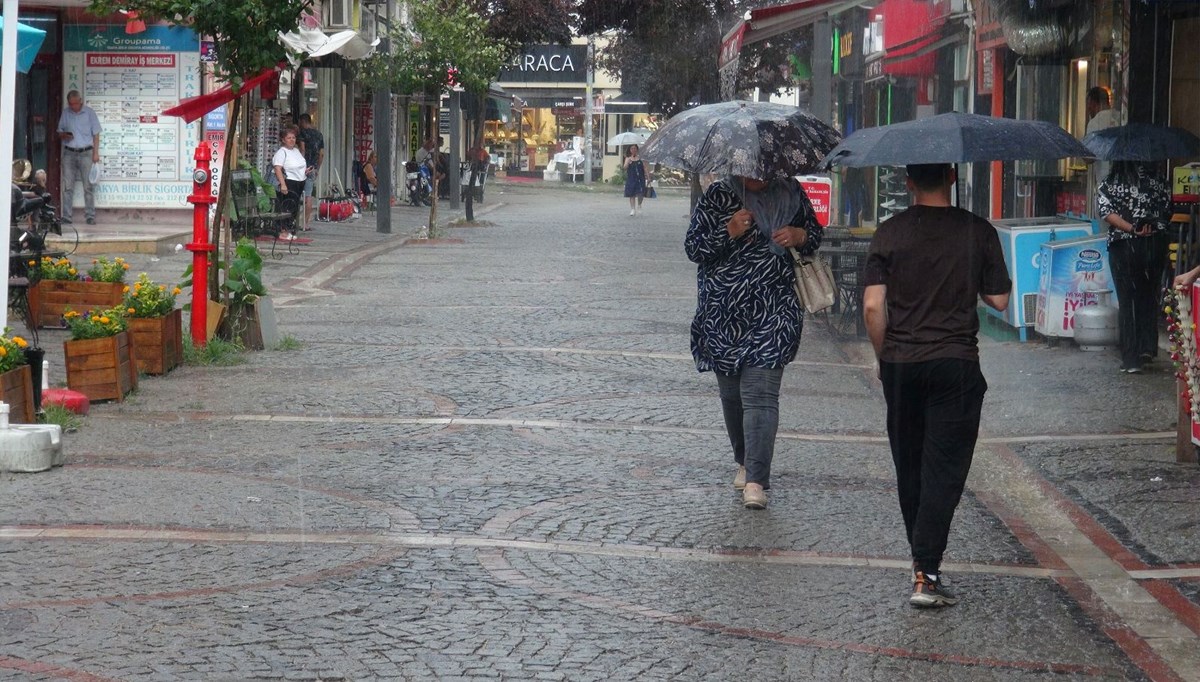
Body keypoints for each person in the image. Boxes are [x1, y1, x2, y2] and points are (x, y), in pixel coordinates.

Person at [862, 163, 1011, 609]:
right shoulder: (977, 231)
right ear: (951, 176)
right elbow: (999, 299)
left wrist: (883, 357)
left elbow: (873, 306)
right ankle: (926, 573)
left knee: (910, 464)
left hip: (902, 364)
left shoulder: (888, 233)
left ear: (908, 182)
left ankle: (921, 564)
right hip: (956, 365)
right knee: (943, 468)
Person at [686, 174, 822, 510]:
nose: (759, 173)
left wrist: (800, 235)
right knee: (732, 396)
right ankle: (745, 460)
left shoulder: (790, 192)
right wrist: (728, 231)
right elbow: (694, 248)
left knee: (760, 395)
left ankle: (756, 480)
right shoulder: (719, 195)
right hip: (723, 315)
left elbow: (815, 235)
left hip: (775, 312)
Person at [1098, 161, 1169, 374]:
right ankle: (1147, 348)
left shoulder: (1111, 181)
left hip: (1123, 245)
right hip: (1154, 244)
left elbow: (1105, 211)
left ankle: (1131, 359)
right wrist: (1150, 226)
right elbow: (1168, 210)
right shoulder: (1159, 179)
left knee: (1128, 301)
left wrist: (1131, 228)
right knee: (1149, 296)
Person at [57, 90, 102, 225]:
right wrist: (64, 135)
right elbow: (59, 132)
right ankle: (67, 216)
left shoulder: (89, 113)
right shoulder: (66, 113)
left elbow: (96, 134)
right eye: (71, 104)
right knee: (68, 186)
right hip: (69, 153)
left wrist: (96, 153)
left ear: (80, 101)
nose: (74, 106)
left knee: (88, 186)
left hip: (86, 153)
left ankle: (90, 216)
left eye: (76, 103)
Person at [1085, 86, 1118, 211]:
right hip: (1122, 186)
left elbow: (1089, 158)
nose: (1088, 111)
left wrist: (1077, 149)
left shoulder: (1095, 123)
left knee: (1104, 226)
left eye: (1089, 106)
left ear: (1093, 103)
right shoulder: (1120, 117)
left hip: (1104, 185)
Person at [272, 127, 308, 240]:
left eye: (293, 138)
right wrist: (283, 184)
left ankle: (288, 229)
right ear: (283, 140)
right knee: (286, 206)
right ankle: (283, 231)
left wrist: (305, 171)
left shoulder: (296, 151)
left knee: (294, 207)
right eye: (289, 138)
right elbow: (277, 168)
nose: (292, 140)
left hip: (300, 181)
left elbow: (299, 165)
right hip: (289, 181)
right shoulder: (281, 152)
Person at [297, 113, 324, 229]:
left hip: (302, 168)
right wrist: (317, 168)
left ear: (302, 122)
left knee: (296, 194)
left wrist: (300, 164)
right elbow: (321, 154)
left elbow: (302, 149)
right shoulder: (319, 134)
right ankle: (305, 223)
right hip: (312, 168)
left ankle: (296, 221)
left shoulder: (303, 133)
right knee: (308, 196)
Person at [623, 145, 647, 216]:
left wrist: (648, 177)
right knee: (632, 194)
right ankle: (632, 209)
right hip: (631, 178)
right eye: (632, 148)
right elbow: (624, 168)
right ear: (630, 150)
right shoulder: (628, 158)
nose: (633, 150)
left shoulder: (641, 159)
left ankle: (639, 205)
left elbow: (645, 168)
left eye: (635, 148)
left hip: (640, 178)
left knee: (641, 193)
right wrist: (627, 162)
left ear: (637, 150)